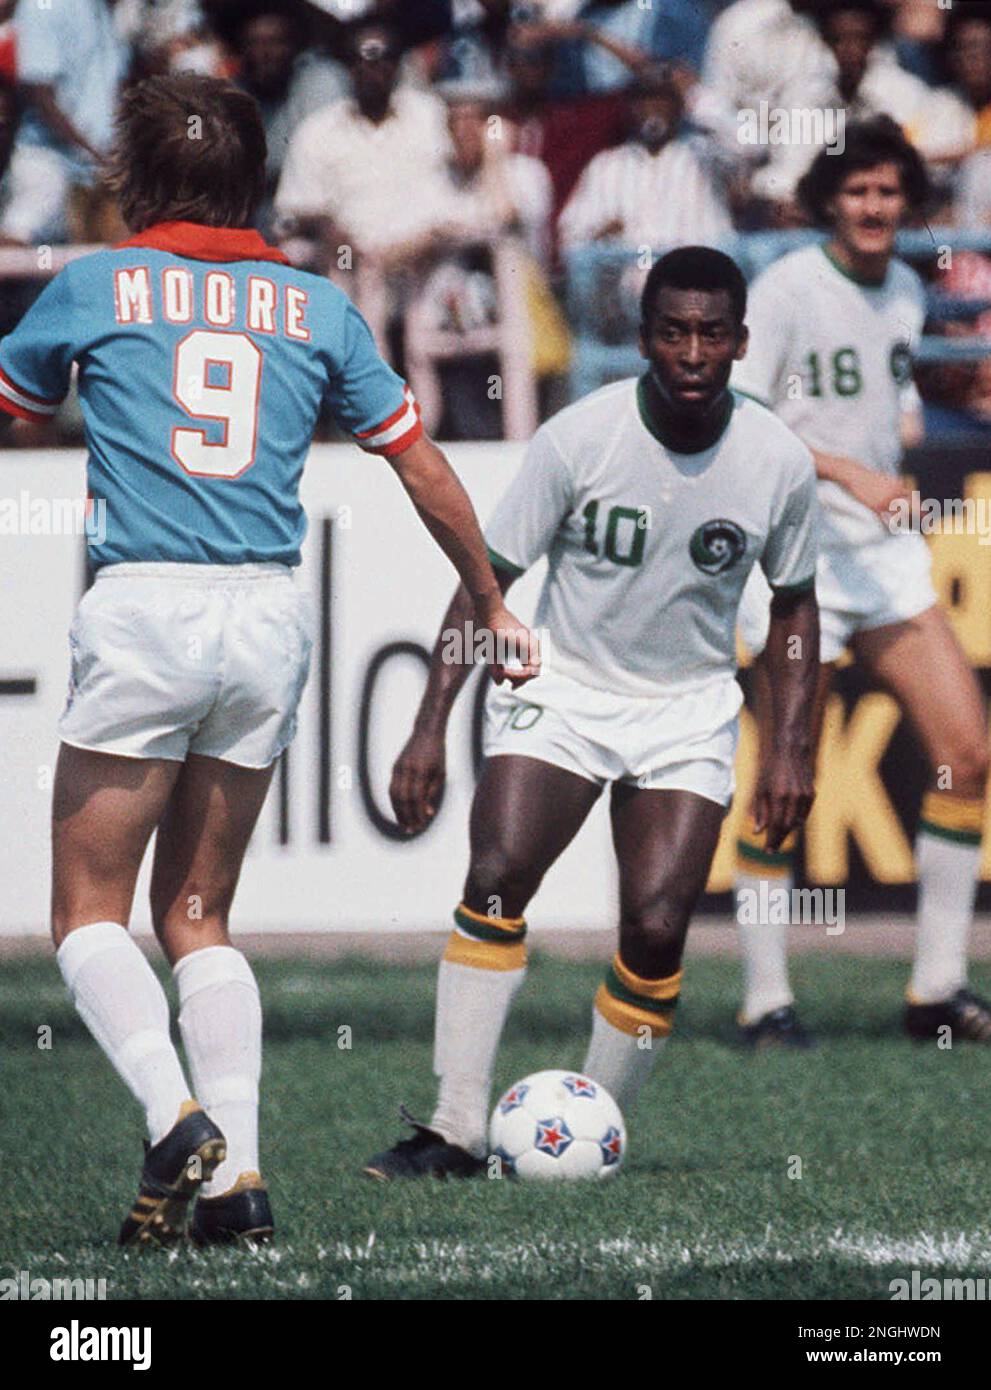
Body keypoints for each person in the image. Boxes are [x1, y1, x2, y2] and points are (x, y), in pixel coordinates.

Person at [0, 72, 537, 1245]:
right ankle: (239, 1179)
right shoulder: (320, 308)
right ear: (256, 180)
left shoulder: (91, 282)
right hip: (265, 618)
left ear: (131, 177)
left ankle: (171, 1113)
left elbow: (18, 408)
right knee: (200, 915)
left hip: (145, 602)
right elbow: (423, 466)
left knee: (88, 917)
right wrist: (490, 598)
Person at [364, 246, 822, 1180]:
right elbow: (485, 583)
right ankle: (450, 1129)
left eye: (710, 333)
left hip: (689, 707)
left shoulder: (777, 460)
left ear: (739, 341)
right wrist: (426, 727)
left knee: (655, 928)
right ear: (645, 337)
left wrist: (791, 751)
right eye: (672, 331)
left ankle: (591, 1132)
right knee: (496, 874)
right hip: (564, 686)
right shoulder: (581, 436)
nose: (691, 351)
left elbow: (793, 606)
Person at [732, 117, 991, 1046]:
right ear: (826, 203)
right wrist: (848, 473)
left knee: (966, 752)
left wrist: (961, 402)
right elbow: (741, 425)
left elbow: (896, 411)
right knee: (784, 772)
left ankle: (935, 990)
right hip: (797, 554)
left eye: (889, 192)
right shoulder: (787, 286)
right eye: (858, 192)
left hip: (881, 558)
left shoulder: (904, 297)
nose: (875, 207)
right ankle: (764, 1000)